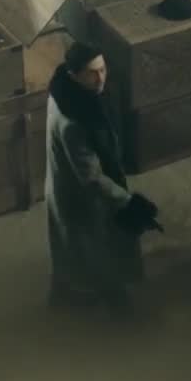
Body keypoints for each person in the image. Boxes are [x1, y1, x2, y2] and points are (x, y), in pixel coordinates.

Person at [45, 41, 159, 317]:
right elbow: (92, 178)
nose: (100, 79)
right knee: (99, 251)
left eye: (103, 69)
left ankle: (66, 291)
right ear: (74, 75)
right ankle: (116, 306)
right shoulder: (73, 122)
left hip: (69, 186)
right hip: (81, 198)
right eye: (92, 73)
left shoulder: (66, 91)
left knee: (77, 251)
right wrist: (128, 201)